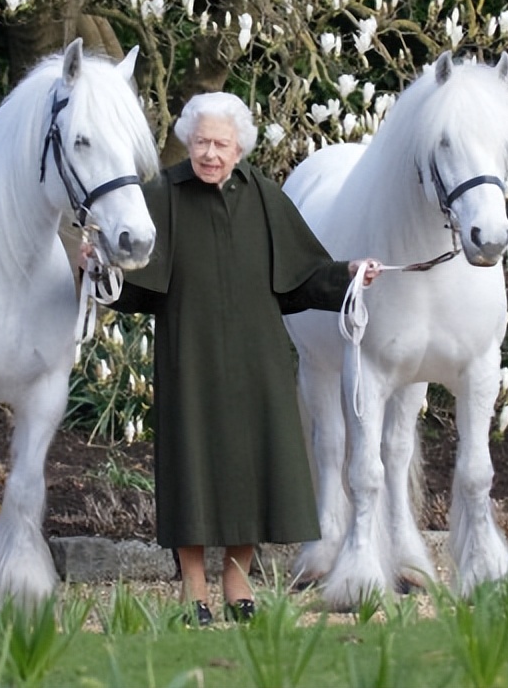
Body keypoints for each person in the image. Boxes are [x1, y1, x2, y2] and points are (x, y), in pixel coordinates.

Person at [108, 91, 380, 626]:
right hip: (190, 356)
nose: (210, 153)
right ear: (189, 140)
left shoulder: (265, 196)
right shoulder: (161, 194)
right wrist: (98, 271)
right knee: (193, 471)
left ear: (239, 149)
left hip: (258, 361)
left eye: (222, 144)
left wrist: (350, 273)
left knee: (253, 469)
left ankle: (236, 581)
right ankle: (194, 591)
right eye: (202, 141)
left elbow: (303, 277)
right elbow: (132, 283)